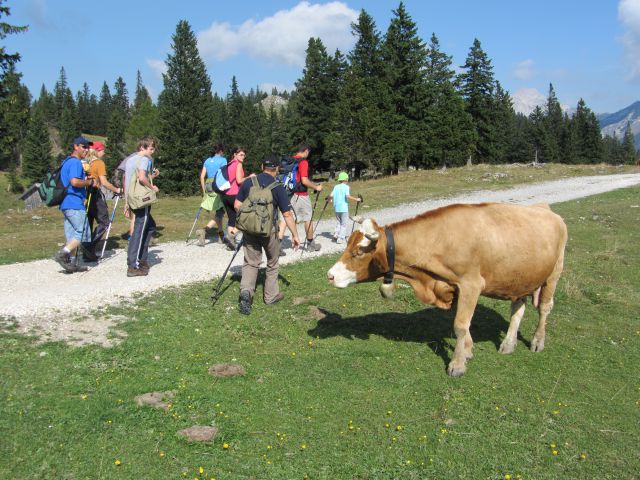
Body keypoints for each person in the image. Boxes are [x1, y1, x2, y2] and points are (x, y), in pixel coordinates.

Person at [234, 154, 301, 315]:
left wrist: (251, 219)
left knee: (251, 262)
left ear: (262, 167)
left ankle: (247, 292)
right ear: (277, 169)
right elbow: (286, 214)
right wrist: (295, 235)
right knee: (272, 262)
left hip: (249, 230)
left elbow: (237, 205)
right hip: (269, 232)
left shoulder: (249, 182)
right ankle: (270, 297)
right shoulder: (278, 187)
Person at [53, 136, 95, 273]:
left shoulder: (66, 162)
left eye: (87, 147)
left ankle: (71, 263)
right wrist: (89, 182)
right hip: (74, 202)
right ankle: (63, 253)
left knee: (72, 234)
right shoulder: (75, 163)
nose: (86, 149)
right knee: (82, 232)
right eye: (83, 146)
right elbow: (75, 182)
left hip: (66, 202)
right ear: (76, 146)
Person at [124, 137, 159, 277]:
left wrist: (126, 202)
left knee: (150, 226)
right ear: (142, 148)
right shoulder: (144, 159)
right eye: (150, 148)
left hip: (133, 198)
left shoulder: (130, 159)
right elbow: (142, 178)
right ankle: (133, 265)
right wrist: (153, 187)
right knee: (139, 229)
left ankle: (142, 259)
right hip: (141, 200)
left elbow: (128, 181)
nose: (152, 151)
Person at [280, 142, 322, 252]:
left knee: (286, 218)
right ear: (306, 151)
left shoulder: (289, 161)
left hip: (288, 194)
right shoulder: (303, 162)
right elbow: (304, 180)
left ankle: (278, 246)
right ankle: (310, 244)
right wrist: (316, 187)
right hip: (301, 195)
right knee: (308, 218)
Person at [84, 141, 123, 260]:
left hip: (84, 195)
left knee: (88, 223)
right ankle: (89, 247)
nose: (104, 152)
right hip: (95, 195)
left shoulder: (85, 162)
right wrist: (116, 189)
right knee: (104, 222)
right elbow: (104, 182)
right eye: (102, 150)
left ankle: (86, 252)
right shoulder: (98, 163)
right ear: (96, 150)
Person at [221, 146, 252, 250]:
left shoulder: (228, 164)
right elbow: (239, 181)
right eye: (241, 154)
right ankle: (232, 235)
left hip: (225, 195)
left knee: (232, 218)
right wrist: (250, 177)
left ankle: (231, 244)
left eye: (244, 155)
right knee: (245, 217)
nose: (243, 157)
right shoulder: (238, 164)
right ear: (234, 154)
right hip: (235, 195)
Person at [196, 143, 226, 246]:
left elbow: (202, 176)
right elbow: (224, 174)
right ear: (221, 151)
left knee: (218, 210)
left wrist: (204, 190)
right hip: (218, 184)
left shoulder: (207, 160)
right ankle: (204, 230)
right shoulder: (223, 160)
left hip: (208, 185)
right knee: (221, 211)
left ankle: (221, 236)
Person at [328, 171, 362, 244]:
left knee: (338, 222)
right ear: (346, 179)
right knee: (344, 224)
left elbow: (331, 195)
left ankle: (336, 234)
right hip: (343, 208)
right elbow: (347, 196)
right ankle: (341, 238)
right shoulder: (346, 187)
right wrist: (356, 199)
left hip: (337, 208)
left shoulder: (336, 187)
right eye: (347, 179)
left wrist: (329, 199)